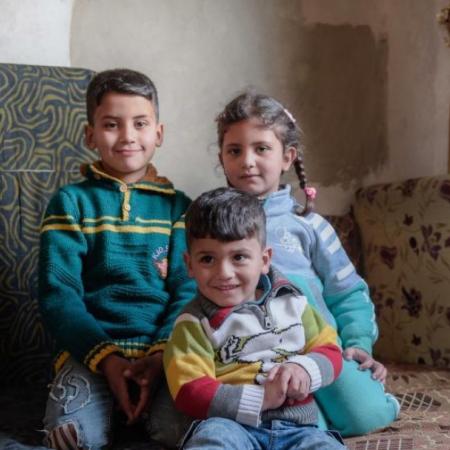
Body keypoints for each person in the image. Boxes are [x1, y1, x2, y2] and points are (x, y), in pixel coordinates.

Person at [214, 92, 400, 437]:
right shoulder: (211, 226)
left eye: (262, 149)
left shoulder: (310, 226)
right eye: (235, 151)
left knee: (367, 414)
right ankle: (306, 422)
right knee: (288, 423)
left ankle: (337, 409)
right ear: (222, 158)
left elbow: (348, 293)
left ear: (287, 157)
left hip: (318, 351)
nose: (247, 161)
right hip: (248, 358)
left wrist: (357, 342)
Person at [38, 68, 196, 450]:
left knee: (191, 433)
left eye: (140, 123)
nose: (127, 136)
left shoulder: (181, 209)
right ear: (90, 134)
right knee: (69, 439)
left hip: (164, 354)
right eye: (111, 124)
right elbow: (59, 294)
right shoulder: (71, 203)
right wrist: (106, 359)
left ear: (158, 133)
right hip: (88, 353)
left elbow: (188, 290)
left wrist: (161, 354)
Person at [164, 187, 346, 450]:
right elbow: (188, 391)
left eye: (238, 257)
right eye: (207, 259)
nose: (224, 273)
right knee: (211, 442)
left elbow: (330, 351)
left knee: (324, 446)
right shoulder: (192, 324)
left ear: (264, 260)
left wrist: (304, 368)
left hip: (298, 427)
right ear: (189, 265)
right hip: (227, 425)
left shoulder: (293, 302)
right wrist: (261, 399)